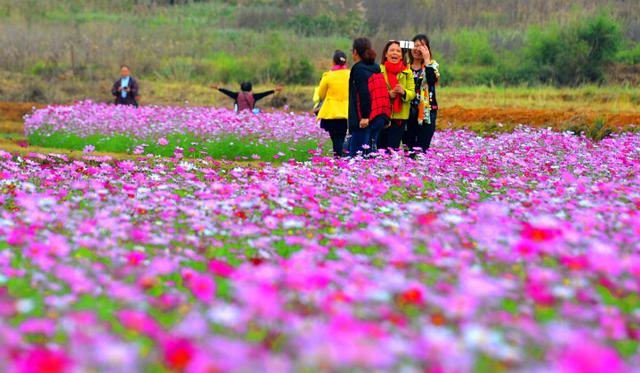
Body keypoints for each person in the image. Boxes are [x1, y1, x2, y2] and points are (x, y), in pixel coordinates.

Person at [348, 37, 392, 157]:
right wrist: (386, 116)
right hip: (380, 116)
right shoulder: (376, 68)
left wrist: (365, 117)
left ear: (355, 52)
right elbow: (382, 92)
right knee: (370, 156)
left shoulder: (359, 69)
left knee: (356, 158)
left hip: (366, 120)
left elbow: (363, 94)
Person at [403, 34, 440, 154]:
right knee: (408, 148)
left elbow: (432, 81)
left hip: (427, 113)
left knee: (422, 148)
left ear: (427, 49)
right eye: (415, 45)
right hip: (407, 112)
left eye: (422, 46)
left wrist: (427, 60)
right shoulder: (404, 67)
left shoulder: (432, 65)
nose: (418, 49)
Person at [377, 41, 416, 152]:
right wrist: (388, 94)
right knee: (380, 149)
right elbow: (373, 92)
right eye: (392, 50)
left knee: (392, 149)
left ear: (402, 55)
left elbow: (412, 93)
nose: (395, 53)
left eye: (398, 51)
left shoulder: (407, 72)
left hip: (399, 117)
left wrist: (403, 92)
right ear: (386, 54)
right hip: (382, 115)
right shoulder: (378, 70)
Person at [315, 50, 350, 157]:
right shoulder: (350, 74)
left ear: (333, 62)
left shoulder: (328, 76)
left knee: (335, 139)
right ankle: (341, 157)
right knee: (342, 136)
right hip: (346, 112)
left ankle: (338, 158)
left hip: (331, 113)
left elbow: (321, 94)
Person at [212, 82, 283, 112]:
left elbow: (227, 92)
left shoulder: (237, 95)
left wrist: (218, 88)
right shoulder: (254, 96)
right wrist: (275, 90)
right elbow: (264, 94)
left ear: (241, 89)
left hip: (239, 116)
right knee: (259, 111)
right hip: (250, 116)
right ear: (251, 89)